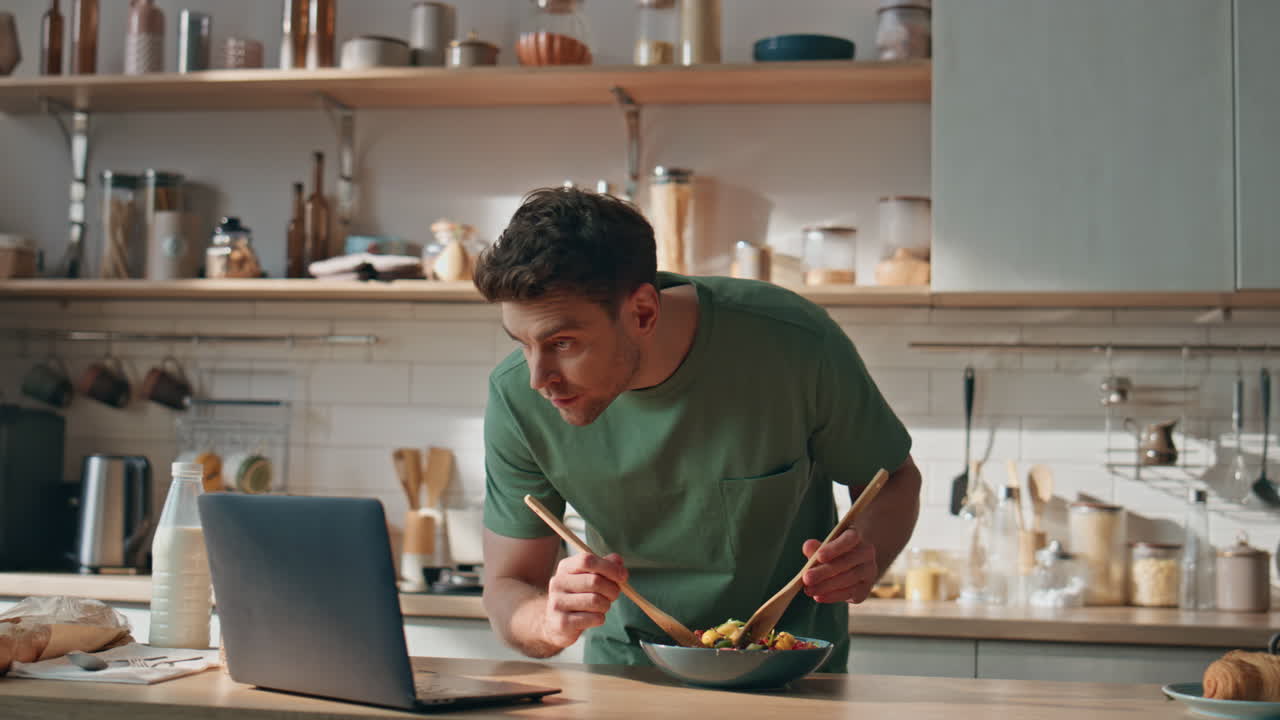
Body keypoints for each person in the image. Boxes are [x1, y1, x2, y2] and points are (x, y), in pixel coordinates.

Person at [473, 187, 920, 671]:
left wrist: (865, 556)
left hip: (791, 675)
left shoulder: (793, 343)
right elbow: (506, 586)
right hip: (628, 677)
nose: (539, 379)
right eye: (522, 344)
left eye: (562, 342)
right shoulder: (517, 395)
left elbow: (893, 480)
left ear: (642, 312)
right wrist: (546, 621)